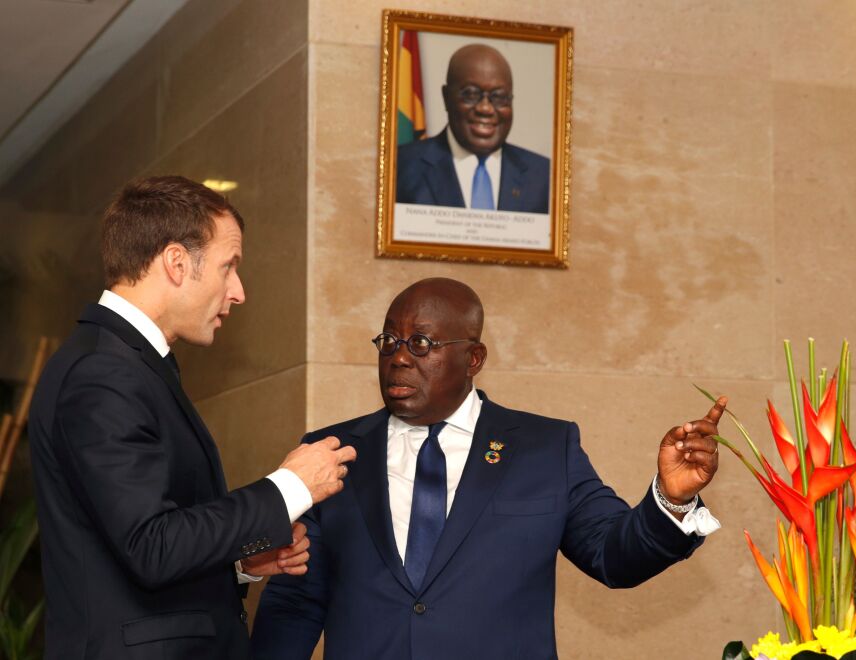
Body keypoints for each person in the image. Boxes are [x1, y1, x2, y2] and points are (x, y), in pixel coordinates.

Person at [251, 277, 726, 660]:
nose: (398, 357)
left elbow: (614, 556)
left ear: (473, 359)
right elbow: (295, 600)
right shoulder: (329, 453)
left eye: (421, 343)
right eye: (389, 340)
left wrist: (672, 498)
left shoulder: (544, 448)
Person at [28, 176, 356, 660]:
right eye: (229, 267)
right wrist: (290, 487)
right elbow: (150, 546)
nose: (239, 292)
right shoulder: (103, 372)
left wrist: (241, 564)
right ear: (177, 263)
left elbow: (137, 546)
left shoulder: (128, 363)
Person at [396, 44, 551, 213]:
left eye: (499, 97)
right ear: (446, 97)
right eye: (471, 94)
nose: (485, 108)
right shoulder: (400, 167)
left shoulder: (544, 177)